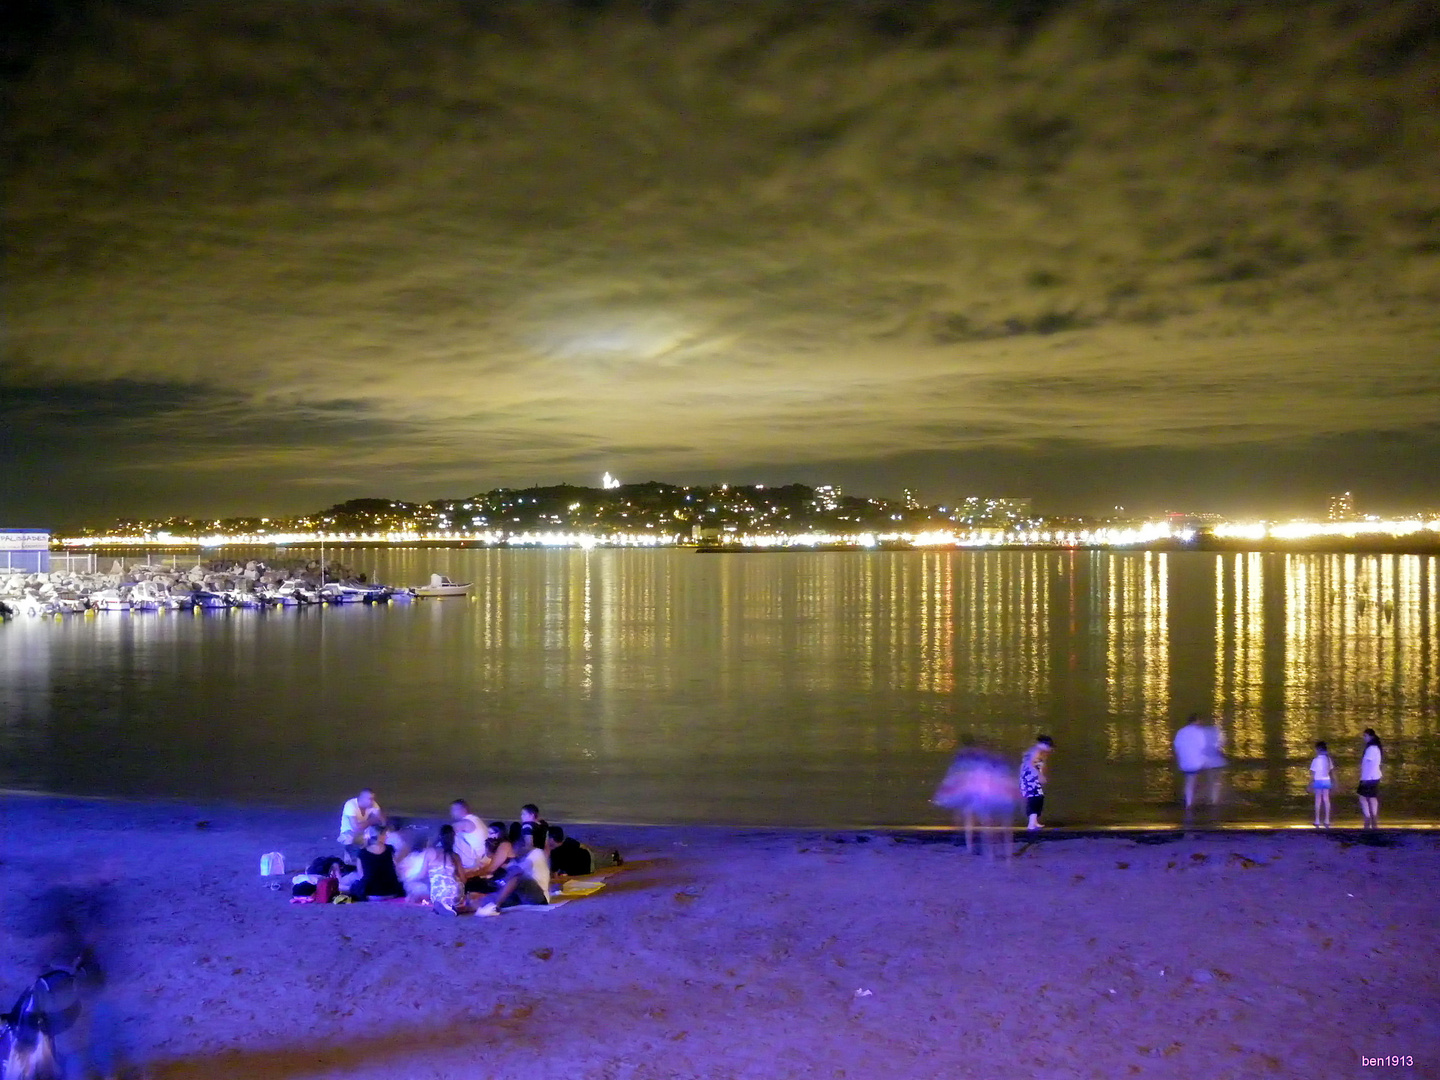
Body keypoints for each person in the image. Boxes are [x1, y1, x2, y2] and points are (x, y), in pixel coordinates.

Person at [932, 736, 1016, 858]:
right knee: (976, 817)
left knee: (976, 817)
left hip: (980, 794)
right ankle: (976, 846)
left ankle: (974, 846)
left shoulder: (975, 759)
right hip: (978, 793)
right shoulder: (979, 759)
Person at [476, 843, 551, 916]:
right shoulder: (518, 860)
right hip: (520, 897)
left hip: (539, 897)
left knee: (517, 878)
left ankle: (495, 907)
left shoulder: (536, 853)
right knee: (486, 899)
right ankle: (467, 905)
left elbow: (516, 875)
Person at [1173, 714, 1224, 813]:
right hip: (1199, 761)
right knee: (1213, 776)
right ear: (1197, 721)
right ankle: (1212, 800)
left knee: (1189, 781)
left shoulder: (1181, 731)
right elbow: (1203, 746)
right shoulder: (1199, 732)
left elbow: (1177, 745)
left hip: (1185, 763)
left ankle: (1189, 802)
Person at [352, 826, 405, 900]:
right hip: (392, 892)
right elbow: (396, 869)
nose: (387, 836)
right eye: (385, 834)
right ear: (379, 836)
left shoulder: (362, 852)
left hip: (370, 894)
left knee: (353, 884)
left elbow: (361, 876)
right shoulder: (390, 849)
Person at [423, 825, 467, 915]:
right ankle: (450, 904)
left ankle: (441, 905)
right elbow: (464, 880)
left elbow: (423, 875)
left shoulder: (430, 852)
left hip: (436, 894)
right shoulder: (455, 856)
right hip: (455, 894)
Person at [1019, 735, 1053, 830]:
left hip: (1032, 778)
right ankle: (1031, 823)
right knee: (1034, 798)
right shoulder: (1036, 751)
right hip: (1029, 779)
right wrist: (1040, 776)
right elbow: (1033, 765)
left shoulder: (1039, 752)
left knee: (1038, 798)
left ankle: (1034, 821)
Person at [338, 788, 383, 855]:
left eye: (373, 799)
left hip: (364, 831)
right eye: (370, 799)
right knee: (350, 841)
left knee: (382, 836)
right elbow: (355, 828)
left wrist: (375, 820)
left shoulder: (372, 804)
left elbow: (382, 821)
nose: (372, 801)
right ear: (362, 798)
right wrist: (372, 820)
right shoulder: (350, 805)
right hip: (349, 832)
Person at [449, 800, 488, 876]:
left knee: (450, 837)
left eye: (454, 810)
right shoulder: (476, 819)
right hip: (483, 857)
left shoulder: (464, 823)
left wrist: (432, 848)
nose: (451, 813)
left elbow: (445, 832)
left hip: (475, 861)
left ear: (463, 810)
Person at [1357, 729, 1384, 828]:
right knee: (1370, 797)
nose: (1364, 738)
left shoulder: (1371, 749)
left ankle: (1369, 816)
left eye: (1365, 736)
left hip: (1369, 777)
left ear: (1370, 736)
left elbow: (1368, 764)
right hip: (1374, 776)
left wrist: (1365, 778)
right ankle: (1373, 817)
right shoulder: (1376, 748)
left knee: (1364, 797)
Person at [1309, 740, 1336, 828]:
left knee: (1318, 800)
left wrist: (1310, 783)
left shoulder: (1315, 760)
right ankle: (1327, 820)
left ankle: (1317, 820)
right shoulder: (1328, 759)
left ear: (1318, 749)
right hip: (1326, 780)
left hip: (1318, 781)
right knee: (1326, 799)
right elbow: (1331, 771)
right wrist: (1334, 781)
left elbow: (1312, 773)